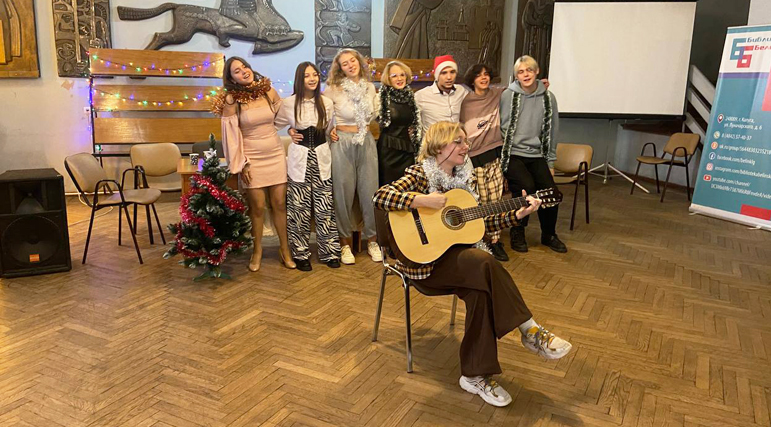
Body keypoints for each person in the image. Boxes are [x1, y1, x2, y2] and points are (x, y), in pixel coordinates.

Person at [372, 121, 572, 408]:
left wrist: (517, 214)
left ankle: (475, 376)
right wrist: (421, 201)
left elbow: (479, 222)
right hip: (424, 265)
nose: (466, 147)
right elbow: (380, 197)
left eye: (465, 142)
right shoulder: (419, 174)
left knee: (481, 290)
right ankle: (530, 330)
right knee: (484, 262)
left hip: (459, 262)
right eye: (458, 142)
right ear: (439, 146)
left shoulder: (465, 182)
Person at [212, 56, 296, 271]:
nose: (244, 71)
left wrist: (289, 130)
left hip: (275, 154)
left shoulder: (267, 91)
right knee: (257, 207)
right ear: (232, 79)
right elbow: (231, 136)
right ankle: (257, 250)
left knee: (279, 204)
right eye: (237, 71)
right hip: (252, 158)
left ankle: (285, 249)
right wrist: (242, 163)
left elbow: (284, 116)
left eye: (245, 67)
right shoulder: (232, 100)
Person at [275, 62, 342, 271]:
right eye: (306, 76)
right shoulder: (288, 103)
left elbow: (330, 128)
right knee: (299, 209)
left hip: (322, 156)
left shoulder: (326, 102)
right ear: (299, 79)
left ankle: (329, 251)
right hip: (299, 159)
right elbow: (274, 125)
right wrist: (290, 131)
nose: (312, 79)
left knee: (324, 206)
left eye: (314, 75)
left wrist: (333, 132)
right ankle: (300, 253)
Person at [500, 55, 567, 253]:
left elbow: (552, 130)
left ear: (537, 72)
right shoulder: (508, 95)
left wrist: (551, 162)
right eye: (521, 72)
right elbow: (502, 127)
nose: (525, 74)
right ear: (516, 76)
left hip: (537, 154)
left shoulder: (548, 97)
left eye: (529, 70)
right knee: (525, 187)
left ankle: (549, 234)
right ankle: (518, 231)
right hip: (513, 153)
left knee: (550, 191)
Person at [323, 48, 382, 265]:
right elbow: (322, 116)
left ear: (359, 62)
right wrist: (329, 131)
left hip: (366, 141)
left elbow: (374, 115)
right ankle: (344, 243)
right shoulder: (332, 90)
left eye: (352, 60)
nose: (350, 65)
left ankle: (373, 241)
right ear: (340, 68)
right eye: (345, 63)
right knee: (343, 193)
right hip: (342, 142)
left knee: (370, 192)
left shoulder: (369, 88)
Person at [460, 63, 508, 262]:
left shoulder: (497, 94)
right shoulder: (464, 101)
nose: (484, 78)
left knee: (495, 200)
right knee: (479, 202)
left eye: (486, 74)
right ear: (472, 79)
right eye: (479, 75)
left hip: (494, 154)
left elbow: (518, 87)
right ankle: (480, 239)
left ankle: (495, 240)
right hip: (473, 157)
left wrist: (541, 83)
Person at [376, 60, 422, 186]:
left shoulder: (411, 97)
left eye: (402, 75)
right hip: (388, 150)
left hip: (407, 150)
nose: (399, 78)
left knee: (407, 186)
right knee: (388, 188)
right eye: (394, 76)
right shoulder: (381, 98)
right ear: (388, 78)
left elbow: (416, 122)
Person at [414, 54, 468, 134]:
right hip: (434, 140)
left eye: (452, 72)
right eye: (444, 73)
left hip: (456, 139)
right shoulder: (421, 95)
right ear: (437, 75)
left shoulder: (461, 91)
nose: (449, 77)